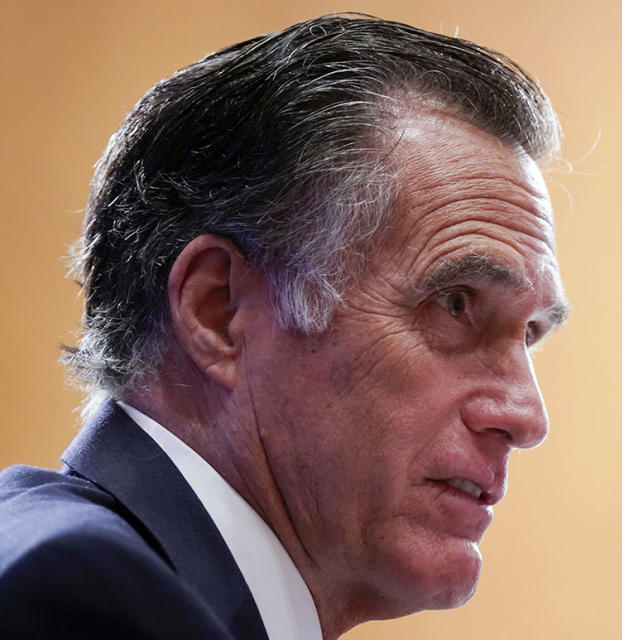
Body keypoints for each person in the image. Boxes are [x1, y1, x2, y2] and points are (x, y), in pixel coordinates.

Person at [0, 12, 568, 640]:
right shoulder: (80, 600)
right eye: (455, 305)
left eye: (530, 333)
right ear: (219, 313)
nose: (526, 417)